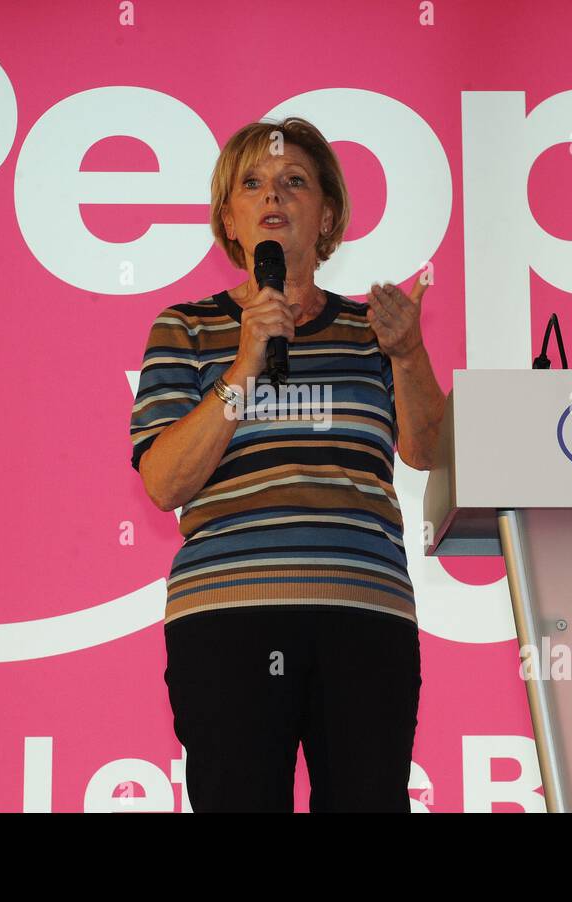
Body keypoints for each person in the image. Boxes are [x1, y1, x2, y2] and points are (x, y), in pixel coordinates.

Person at [129, 116, 446, 812]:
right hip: (229, 620)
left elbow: (429, 451)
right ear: (231, 219)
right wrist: (244, 365)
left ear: (326, 215)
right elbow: (163, 482)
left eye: (294, 181)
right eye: (253, 183)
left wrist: (408, 353)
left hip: (363, 617)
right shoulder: (185, 328)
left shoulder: (377, 330)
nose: (273, 193)